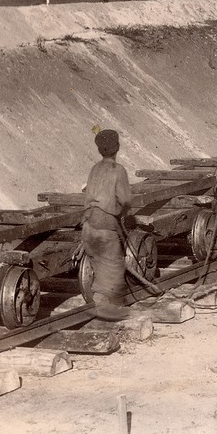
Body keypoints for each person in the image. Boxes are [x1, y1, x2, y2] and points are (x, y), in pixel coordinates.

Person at [82, 128, 133, 321]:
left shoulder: (94, 169)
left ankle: (100, 302)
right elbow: (126, 199)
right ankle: (104, 309)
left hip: (88, 228)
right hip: (105, 229)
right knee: (114, 268)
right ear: (117, 147)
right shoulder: (118, 170)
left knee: (99, 264)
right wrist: (124, 211)